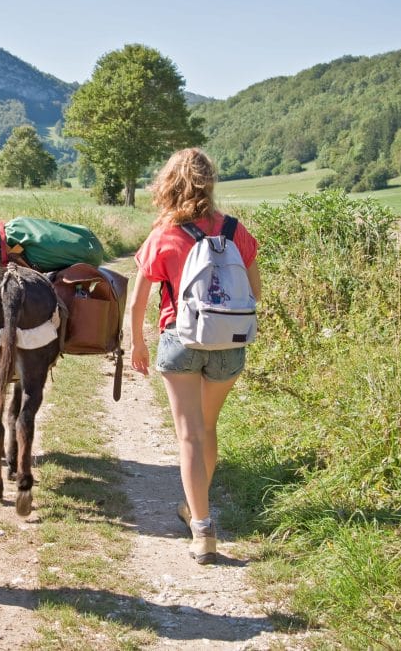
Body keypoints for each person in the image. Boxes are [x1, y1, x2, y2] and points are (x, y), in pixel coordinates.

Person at [128, 148, 262, 565]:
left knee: (188, 435)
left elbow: (137, 302)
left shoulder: (163, 235)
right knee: (208, 427)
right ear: (210, 182)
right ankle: (194, 506)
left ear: (167, 185)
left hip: (181, 339)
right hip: (228, 343)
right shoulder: (237, 231)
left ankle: (202, 529)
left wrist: (137, 343)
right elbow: (254, 293)